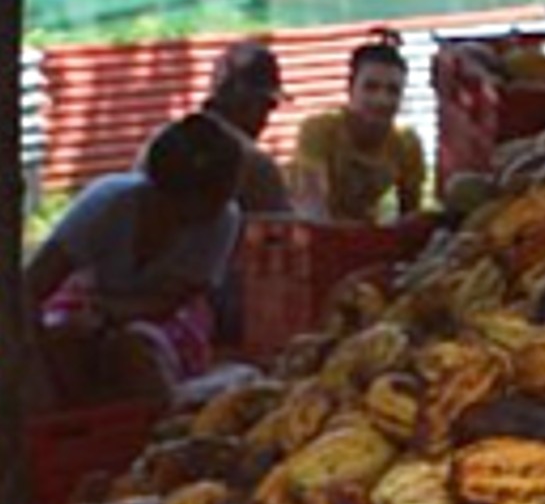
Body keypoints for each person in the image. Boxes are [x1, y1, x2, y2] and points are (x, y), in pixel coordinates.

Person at [27, 115, 247, 410]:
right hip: (89, 302)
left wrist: (108, 315)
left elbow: (169, 302)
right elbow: (31, 287)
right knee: (61, 343)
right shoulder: (106, 205)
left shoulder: (222, 221)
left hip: (164, 318)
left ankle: (163, 416)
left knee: (135, 352)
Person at [288, 33, 427, 223]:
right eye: (370, 87)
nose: (381, 100)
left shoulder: (406, 143)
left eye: (393, 90)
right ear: (350, 89)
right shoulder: (319, 130)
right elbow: (312, 207)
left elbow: (411, 216)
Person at [201, 39, 295, 217]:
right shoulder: (255, 164)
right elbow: (289, 235)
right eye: (267, 105)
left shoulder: (160, 142)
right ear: (245, 102)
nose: (267, 117)